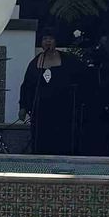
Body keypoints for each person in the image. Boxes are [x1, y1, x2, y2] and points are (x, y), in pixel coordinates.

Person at [18, 27, 87, 156]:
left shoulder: (68, 60)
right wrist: (22, 107)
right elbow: (26, 86)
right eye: (45, 39)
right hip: (41, 112)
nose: (47, 42)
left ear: (55, 41)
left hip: (62, 111)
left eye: (50, 39)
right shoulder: (35, 63)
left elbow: (81, 78)